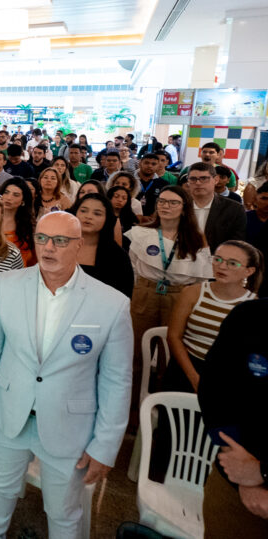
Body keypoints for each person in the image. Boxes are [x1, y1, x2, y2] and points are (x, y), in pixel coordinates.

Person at [0, 212, 133, 539]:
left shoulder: (111, 304)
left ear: (79, 245)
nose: (48, 248)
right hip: (10, 413)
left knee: (62, 509)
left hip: (70, 424)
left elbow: (117, 380)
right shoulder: (7, 286)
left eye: (60, 241)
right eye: (42, 238)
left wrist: (105, 445)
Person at [124, 185, 212, 421]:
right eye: (162, 201)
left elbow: (202, 276)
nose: (166, 206)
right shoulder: (143, 232)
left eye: (173, 202)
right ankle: (130, 409)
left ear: (184, 208)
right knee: (135, 352)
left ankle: (164, 411)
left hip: (180, 295)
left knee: (169, 354)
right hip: (144, 291)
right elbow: (132, 266)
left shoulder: (196, 238)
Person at [197, 299, 268, 535]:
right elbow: (215, 391)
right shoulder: (251, 316)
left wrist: (261, 472)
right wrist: (243, 471)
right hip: (238, 492)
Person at [164, 240, 261, 393]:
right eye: (218, 259)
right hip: (186, 366)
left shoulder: (253, 306)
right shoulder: (192, 292)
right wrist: (194, 377)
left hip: (227, 373)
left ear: (249, 271)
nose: (222, 266)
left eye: (232, 263)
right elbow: (173, 336)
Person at [68, 193, 134, 298]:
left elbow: (123, 297)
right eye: (83, 211)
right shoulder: (59, 246)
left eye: (97, 214)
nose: (88, 216)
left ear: (106, 219)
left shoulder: (117, 256)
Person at [186, 162, 246, 252]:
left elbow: (236, 244)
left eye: (204, 179)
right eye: (193, 179)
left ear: (215, 180)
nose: (198, 183)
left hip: (215, 261)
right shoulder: (179, 205)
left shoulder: (234, 209)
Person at [0, 177, 36, 266]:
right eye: (6, 192)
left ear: (23, 201)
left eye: (15, 195)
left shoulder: (28, 226)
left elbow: (32, 259)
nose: (9, 198)